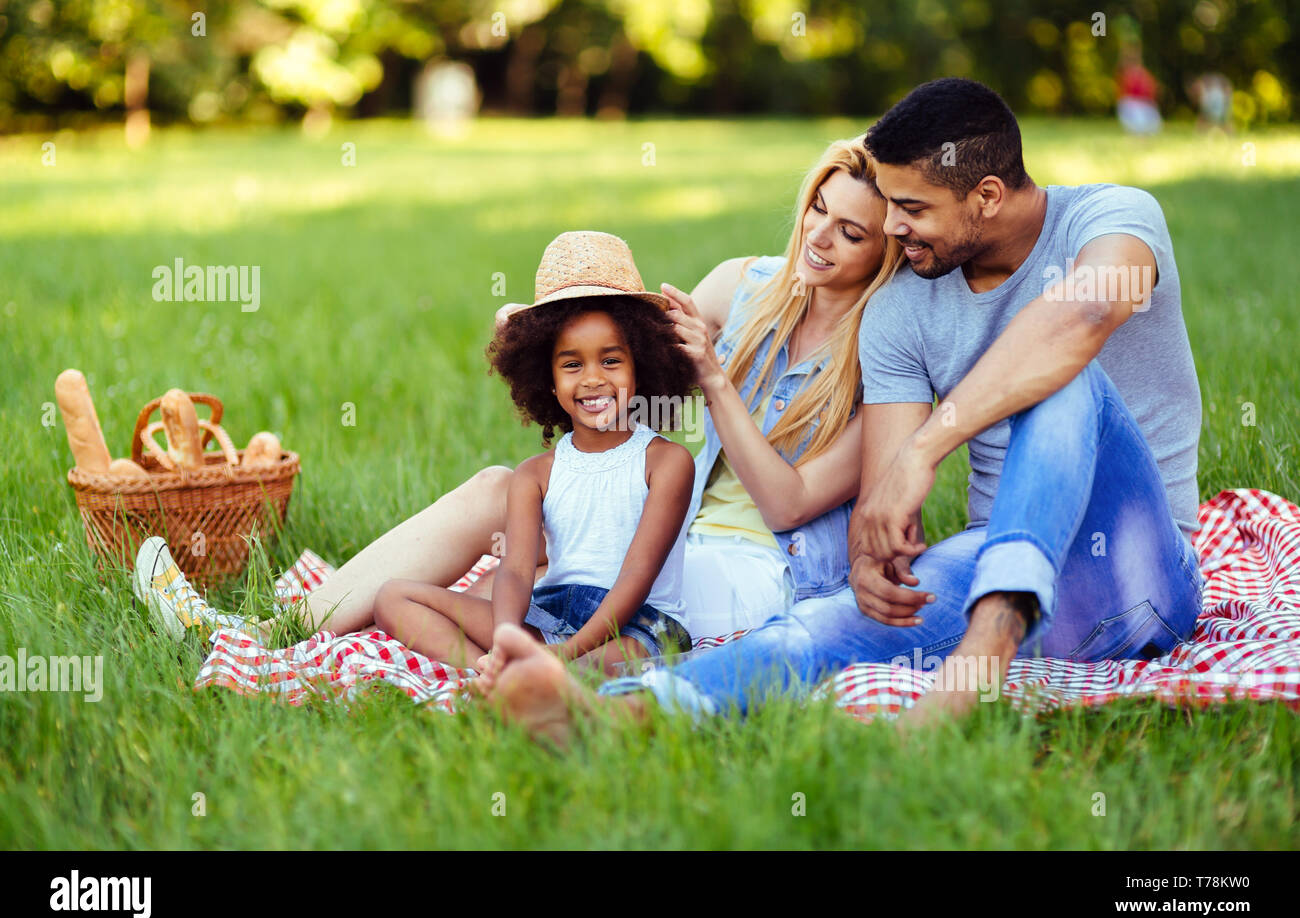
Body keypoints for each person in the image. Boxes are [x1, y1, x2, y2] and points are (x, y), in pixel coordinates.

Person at [478, 77, 1205, 742]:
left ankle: (979, 661)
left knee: (1065, 377)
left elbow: (1083, 318)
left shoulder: (1113, 217)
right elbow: (882, 489)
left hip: (1141, 573)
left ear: (986, 195)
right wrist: (869, 562)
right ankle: (621, 716)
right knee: (817, 626)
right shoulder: (904, 309)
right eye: (887, 208)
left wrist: (929, 449)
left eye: (912, 209)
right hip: (991, 566)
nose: (893, 229)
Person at [131, 139, 903, 659]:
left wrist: (718, 383)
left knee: (557, 577)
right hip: (668, 524)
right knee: (499, 488)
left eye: (851, 233)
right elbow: (631, 363)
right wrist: (545, 334)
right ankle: (270, 629)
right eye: (816, 210)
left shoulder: (884, 361)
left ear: (884, 253)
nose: (819, 238)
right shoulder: (748, 286)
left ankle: (499, 664)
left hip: (752, 571)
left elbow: (786, 502)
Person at [371, 231, 697, 675]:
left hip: (634, 625)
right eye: (572, 364)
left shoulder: (667, 463)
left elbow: (637, 578)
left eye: (611, 361)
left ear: (642, 367)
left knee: (616, 660)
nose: (593, 379)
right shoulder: (534, 474)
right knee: (394, 597)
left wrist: (567, 651)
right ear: (546, 380)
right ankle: (494, 671)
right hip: (549, 615)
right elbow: (517, 572)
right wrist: (508, 637)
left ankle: (542, 674)